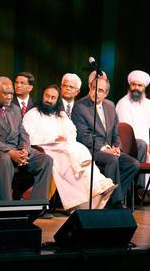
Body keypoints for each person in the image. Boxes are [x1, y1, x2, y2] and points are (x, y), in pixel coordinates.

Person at [23, 84, 116, 211]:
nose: (49, 100)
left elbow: (72, 131)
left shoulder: (60, 115)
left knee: (79, 152)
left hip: (63, 147)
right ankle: (87, 196)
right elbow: (27, 137)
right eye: (47, 96)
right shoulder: (33, 114)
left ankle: (98, 187)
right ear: (42, 96)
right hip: (44, 149)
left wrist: (65, 137)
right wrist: (52, 138)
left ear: (57, 100)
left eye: (53, 97)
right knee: (69, 161)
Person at [0, 76, 53, 202]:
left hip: (15, 149)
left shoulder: (14, 109)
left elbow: (22, 133)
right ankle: (6, 205)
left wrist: (25, 150)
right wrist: (10, 152)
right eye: (5, 93)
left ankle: (38, 205)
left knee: (45, 160)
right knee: (4, 159)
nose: (10, 97)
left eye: (11, 93)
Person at [72, 74, 140, 208]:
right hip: (90, 150)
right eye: (94, 88)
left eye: (101, 91)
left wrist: (117, 148)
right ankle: (116, 202)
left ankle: (111, 198)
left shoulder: (110, 106)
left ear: (106, 93)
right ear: (90, 88)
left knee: (133, 164)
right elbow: (84, 136)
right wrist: (105, 149)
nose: (96, 93)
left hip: (109, 150)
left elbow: (115, 133)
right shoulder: (80, 107)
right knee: (112, 160)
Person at [116, 70, 150, 191]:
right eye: (133, 84)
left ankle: (145, 191)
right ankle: (137, 190)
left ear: (144, 88)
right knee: (141, 145)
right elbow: (127, 132)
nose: (136, 88)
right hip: (129, 146)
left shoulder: (148, 104)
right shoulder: (123, 103)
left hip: (146, 145)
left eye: (139, 85)